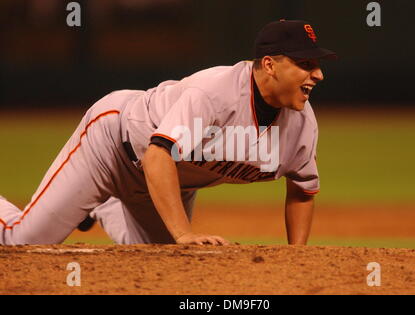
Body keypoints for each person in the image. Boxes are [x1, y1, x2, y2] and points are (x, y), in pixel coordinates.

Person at [0, 20, 336, 246]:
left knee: (164, 264)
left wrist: (296, 260)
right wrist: (184, 233)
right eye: (306, 64)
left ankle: (105, 208)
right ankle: (97, 199)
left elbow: (303, 190)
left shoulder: (301, 124)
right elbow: (158, 154)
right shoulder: (214, 93)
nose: (318, 74)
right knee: (24, 241)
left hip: (166, 179)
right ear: (269, 65)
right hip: (111, 147)